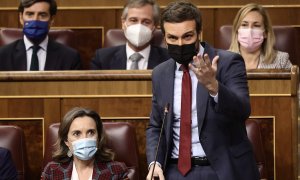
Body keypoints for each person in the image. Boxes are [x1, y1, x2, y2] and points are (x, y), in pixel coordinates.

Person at [146, 1, 259, 180]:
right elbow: (156, 126)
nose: (180, 44)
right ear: (164, 37)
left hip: (221, 169)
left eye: (187, 36)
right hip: (174, 170)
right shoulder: (160, 73)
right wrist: (155, 163)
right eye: (173, 38)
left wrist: (213, 86)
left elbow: (243, 110)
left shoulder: (228, 63)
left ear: (200, 33)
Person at [41, 107, 128, 179]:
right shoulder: (52, 171)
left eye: (91, 132)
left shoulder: (117, 171)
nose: (85, 139)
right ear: (66, 141)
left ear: (98, 137)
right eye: (77, 133)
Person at [0, 0, 82, 71]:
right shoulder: (3, 55)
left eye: (42, 15)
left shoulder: (70, 57)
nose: (35, 20)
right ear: (21, 18)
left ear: (51, 20)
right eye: (30, 14)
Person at [90, 0, 169, 70]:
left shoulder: (169, 59)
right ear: (123, 23)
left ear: (154, 26)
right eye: (133, 20)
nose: (139, 27)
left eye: (146, 22)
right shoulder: (102, 58)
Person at [229, 3, 292, 69]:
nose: (250, 30)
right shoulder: (223, 60)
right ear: (237, 30)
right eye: (244, 25)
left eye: (256, 25)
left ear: (265, 33)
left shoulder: (281, 61)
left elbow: (294, 79)